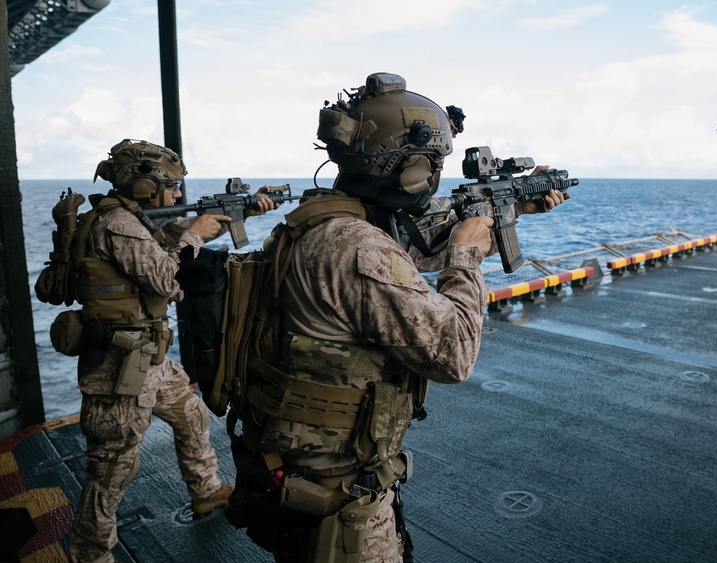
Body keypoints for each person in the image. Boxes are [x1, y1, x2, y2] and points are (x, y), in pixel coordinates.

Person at [224, 72, 567, 562]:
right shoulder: (359, 248)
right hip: (335, 490)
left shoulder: (326, 220)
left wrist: (507, 213)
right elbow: (453, 355)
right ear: (411, 165)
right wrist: (466, 256)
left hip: (301, 465)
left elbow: (408, 256)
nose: (436, 173)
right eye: (434, 162)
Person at [67, 139, 276, 562]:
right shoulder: (119, 225)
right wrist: (195, 233)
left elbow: (173, 236)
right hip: (119, 366)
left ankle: (206, 489)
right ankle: (90, 552)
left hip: (147, 355)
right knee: (112, 465)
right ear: (145, 187)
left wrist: (239, 213)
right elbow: (165, 279)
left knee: (191, 415)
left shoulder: (135, 219)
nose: (178, 194)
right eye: (171, 187)